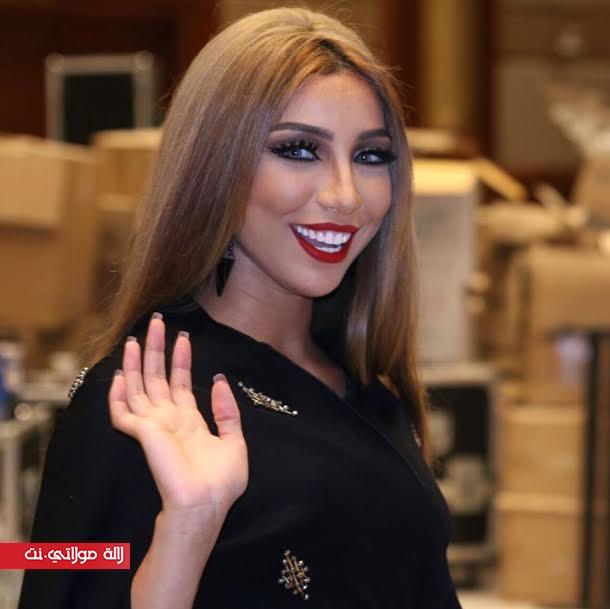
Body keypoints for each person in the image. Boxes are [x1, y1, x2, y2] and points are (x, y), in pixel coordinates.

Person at [18, 7, 463, 609]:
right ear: (214, 167)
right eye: (299, 149)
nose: (345, 195)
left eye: (370, 156)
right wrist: (189, 524)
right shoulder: (134, 401)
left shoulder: (366, 384)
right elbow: (50, 569)